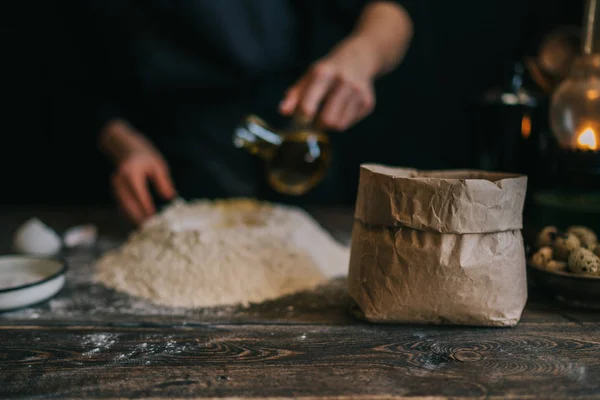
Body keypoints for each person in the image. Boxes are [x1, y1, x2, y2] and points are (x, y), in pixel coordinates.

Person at [82, 0, 413, 224]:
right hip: (172, 165)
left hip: (295, 135)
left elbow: (391, 11)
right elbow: (72, 70)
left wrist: (361, 55)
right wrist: (122, 141)